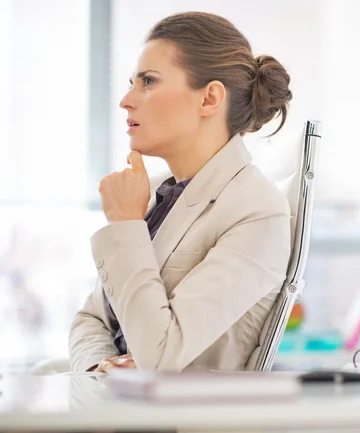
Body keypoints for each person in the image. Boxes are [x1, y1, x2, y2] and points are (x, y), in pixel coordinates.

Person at [68, 11, 293, 373]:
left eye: (148, 81)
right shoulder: (154, 191)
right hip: (111, 408)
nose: (126, 99)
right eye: (132, 82)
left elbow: (159, 357)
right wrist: (99, 369)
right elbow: (90, 319)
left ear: (209, 99)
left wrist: (125, 225)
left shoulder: (258, 211)